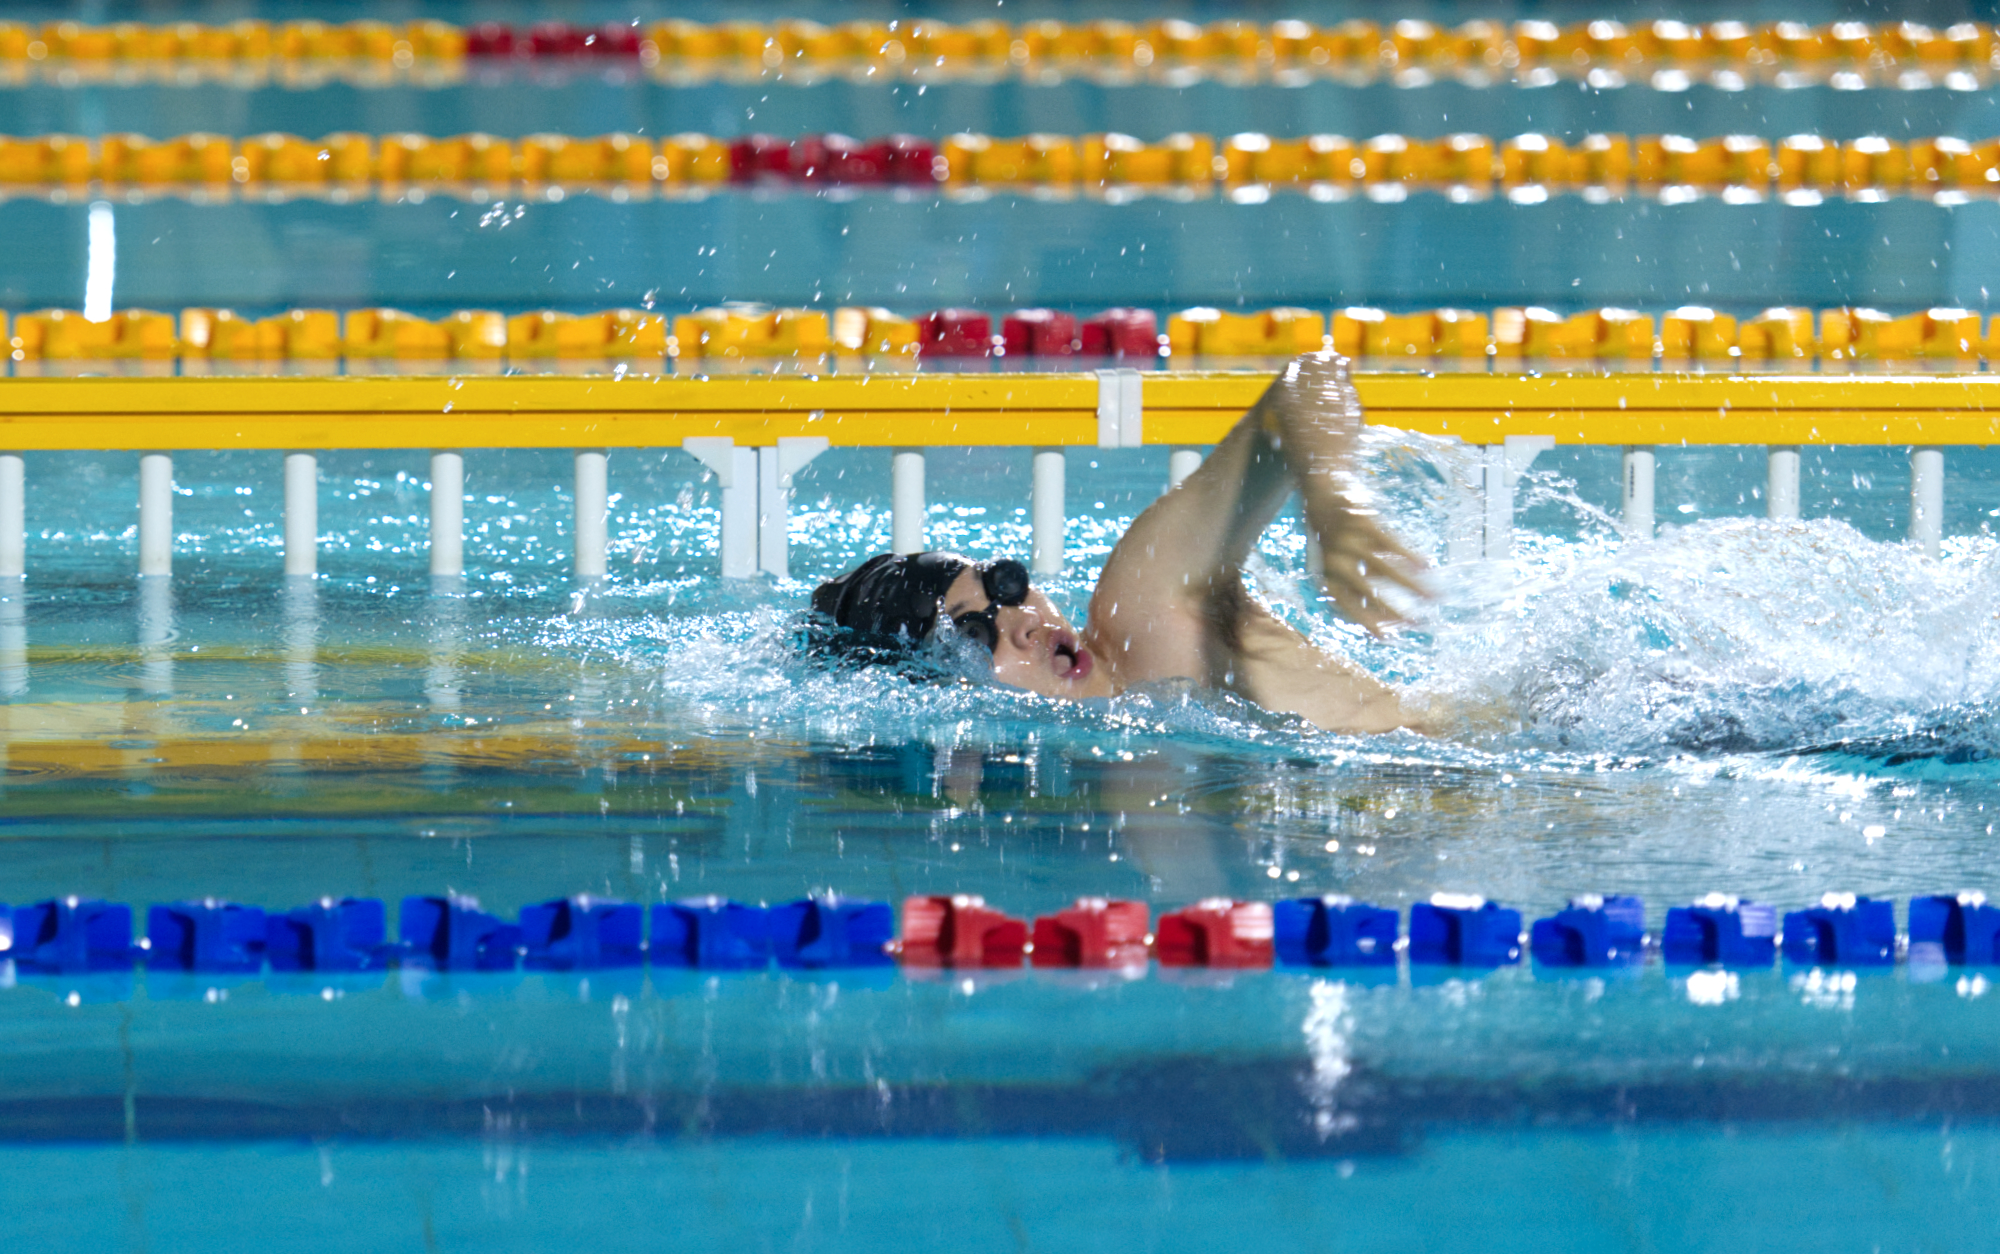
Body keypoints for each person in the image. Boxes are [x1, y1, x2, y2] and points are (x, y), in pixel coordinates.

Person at [810, 351, 1432, 734]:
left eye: (1008, 586)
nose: (1024, 625)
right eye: (975, 634)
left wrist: (1335, 499)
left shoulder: (1141, 608)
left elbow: (1308, 377)